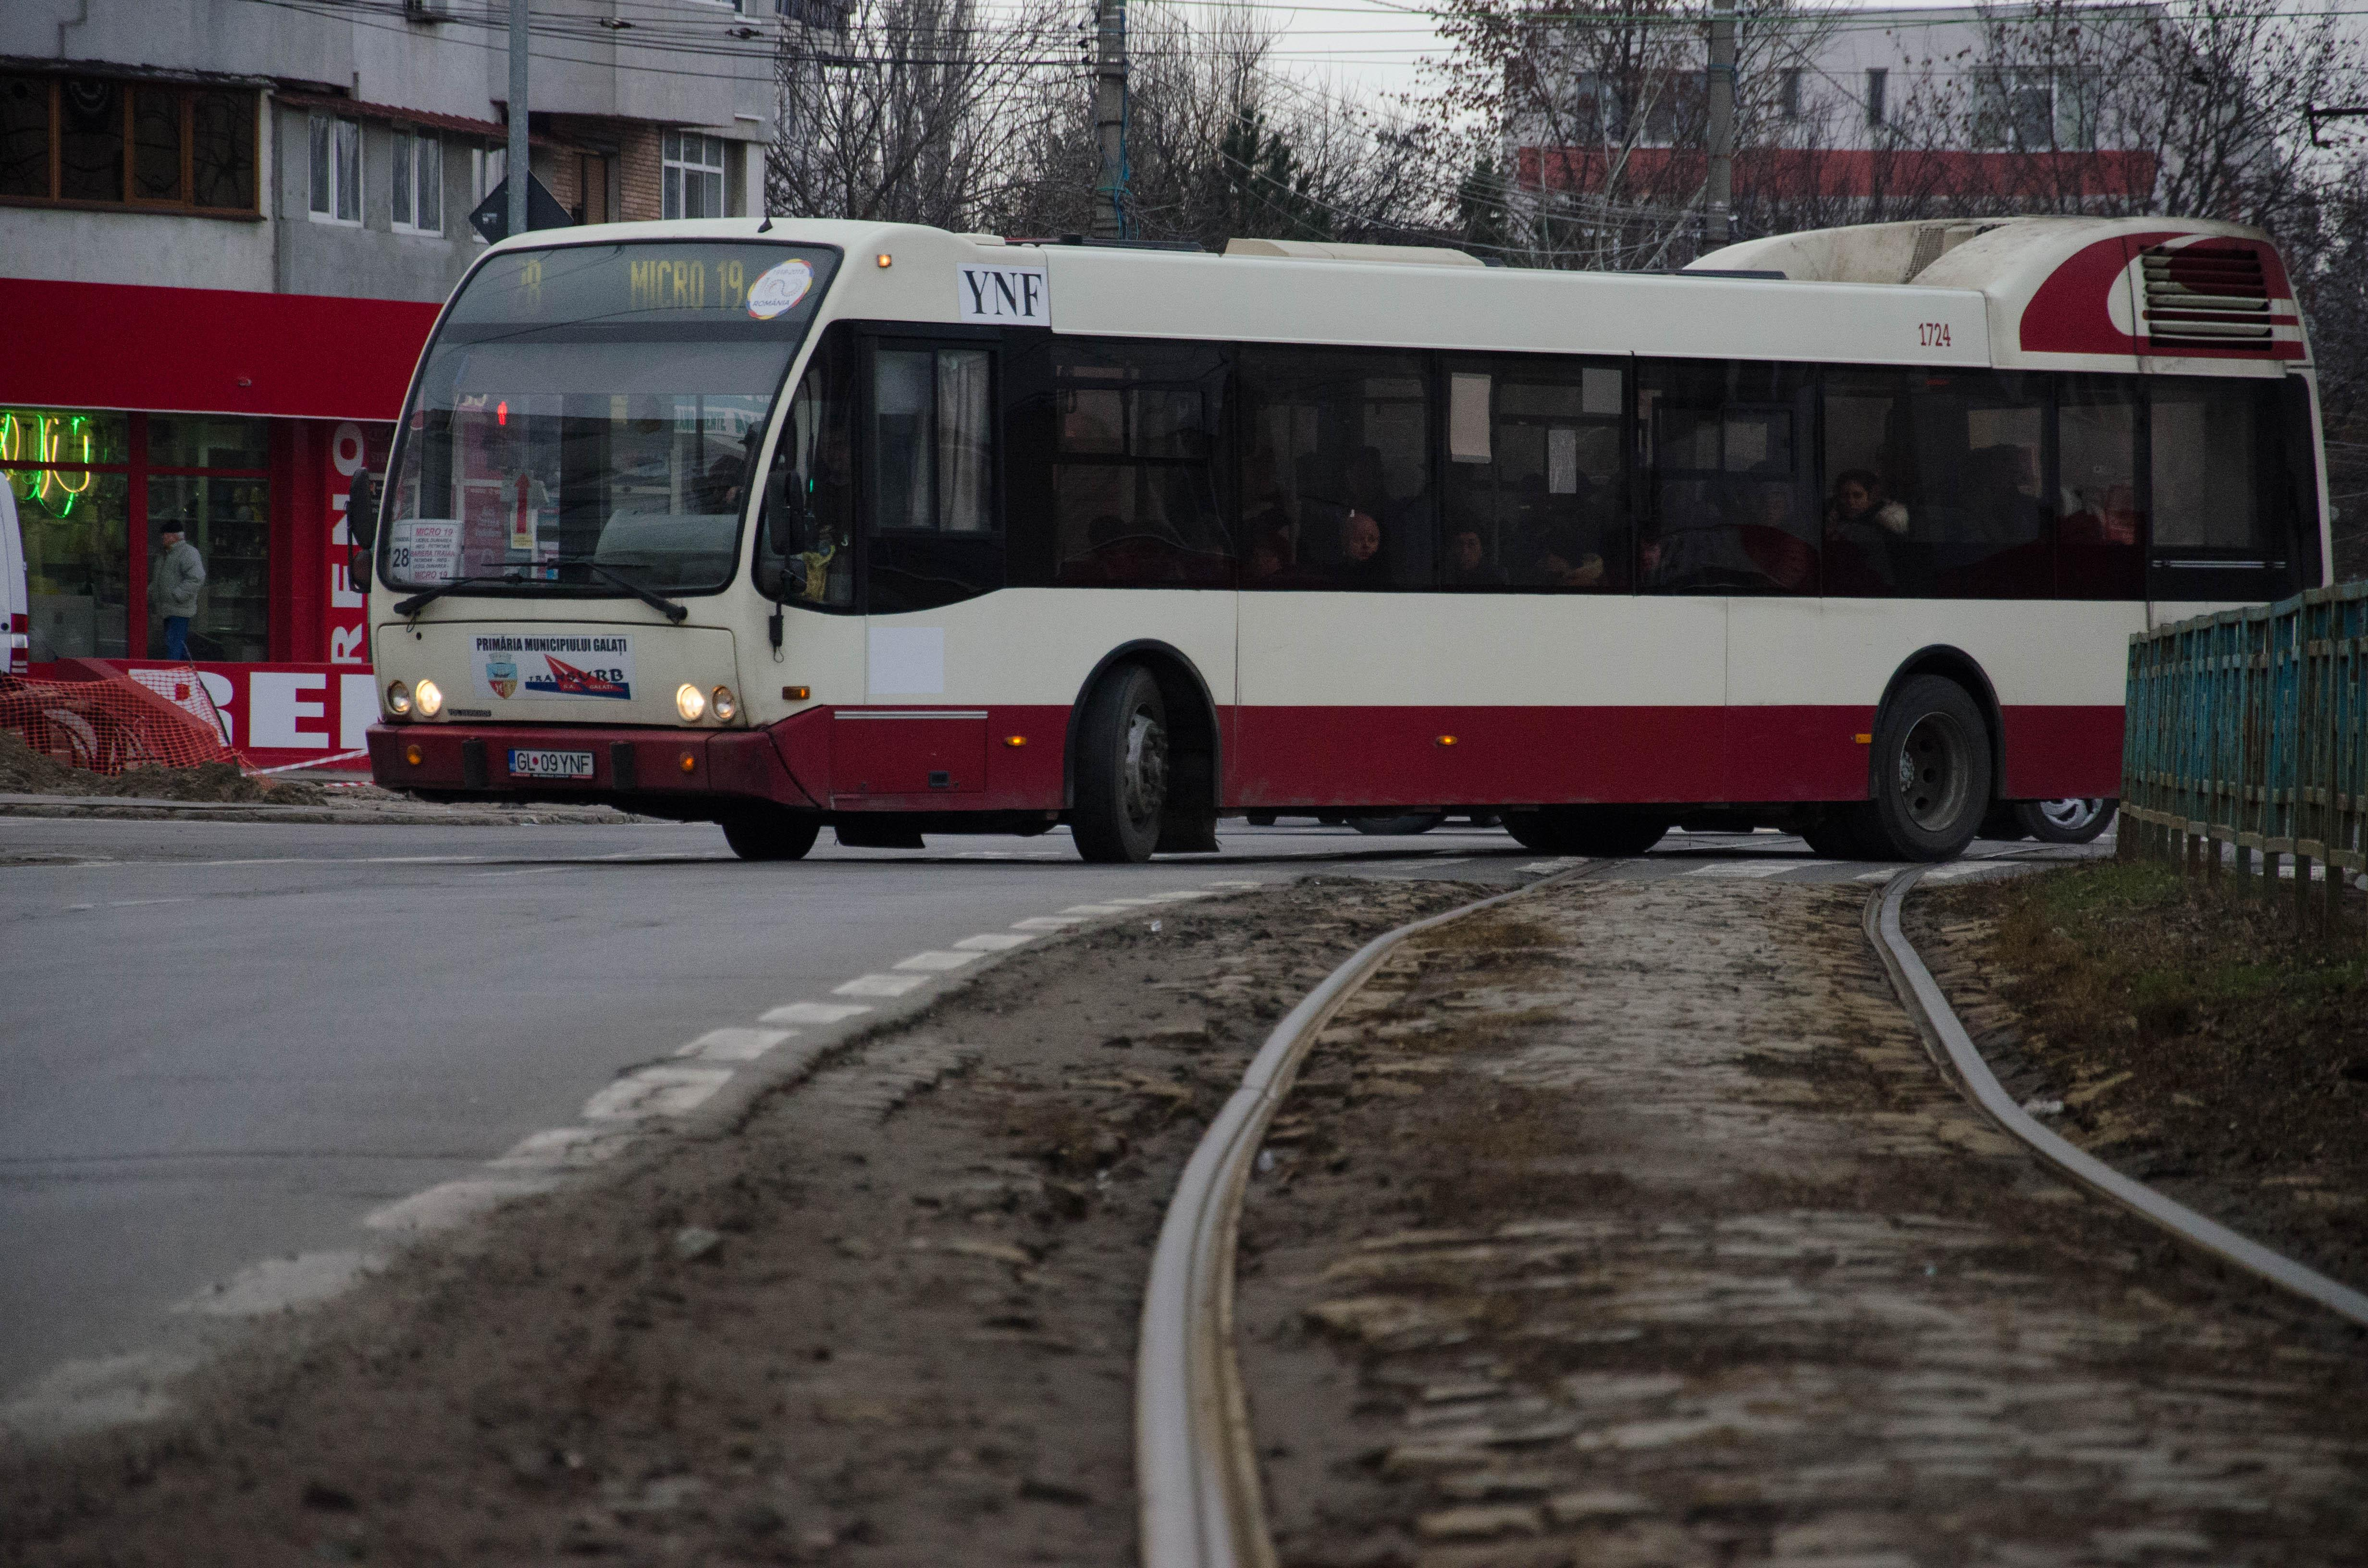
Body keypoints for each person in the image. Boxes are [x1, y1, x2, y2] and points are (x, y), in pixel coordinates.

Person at [154, 520, 205, 660]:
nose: (162, 538)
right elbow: (159, 581)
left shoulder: (188, 553)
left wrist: (177, 595)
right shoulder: (165, 555)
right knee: (177, 646)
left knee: (174, 647)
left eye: (165, 536)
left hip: (179, 610)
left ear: (174, 536)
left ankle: (174, 675)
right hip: (168, 610)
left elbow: (197, 578)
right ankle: (185, 676)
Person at [1443, 524, 1508, 586]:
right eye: (1460, 544)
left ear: (1481, 549)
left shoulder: (1496, 578)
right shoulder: (1444, 575)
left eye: (1472, 544)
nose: (1465, 551)